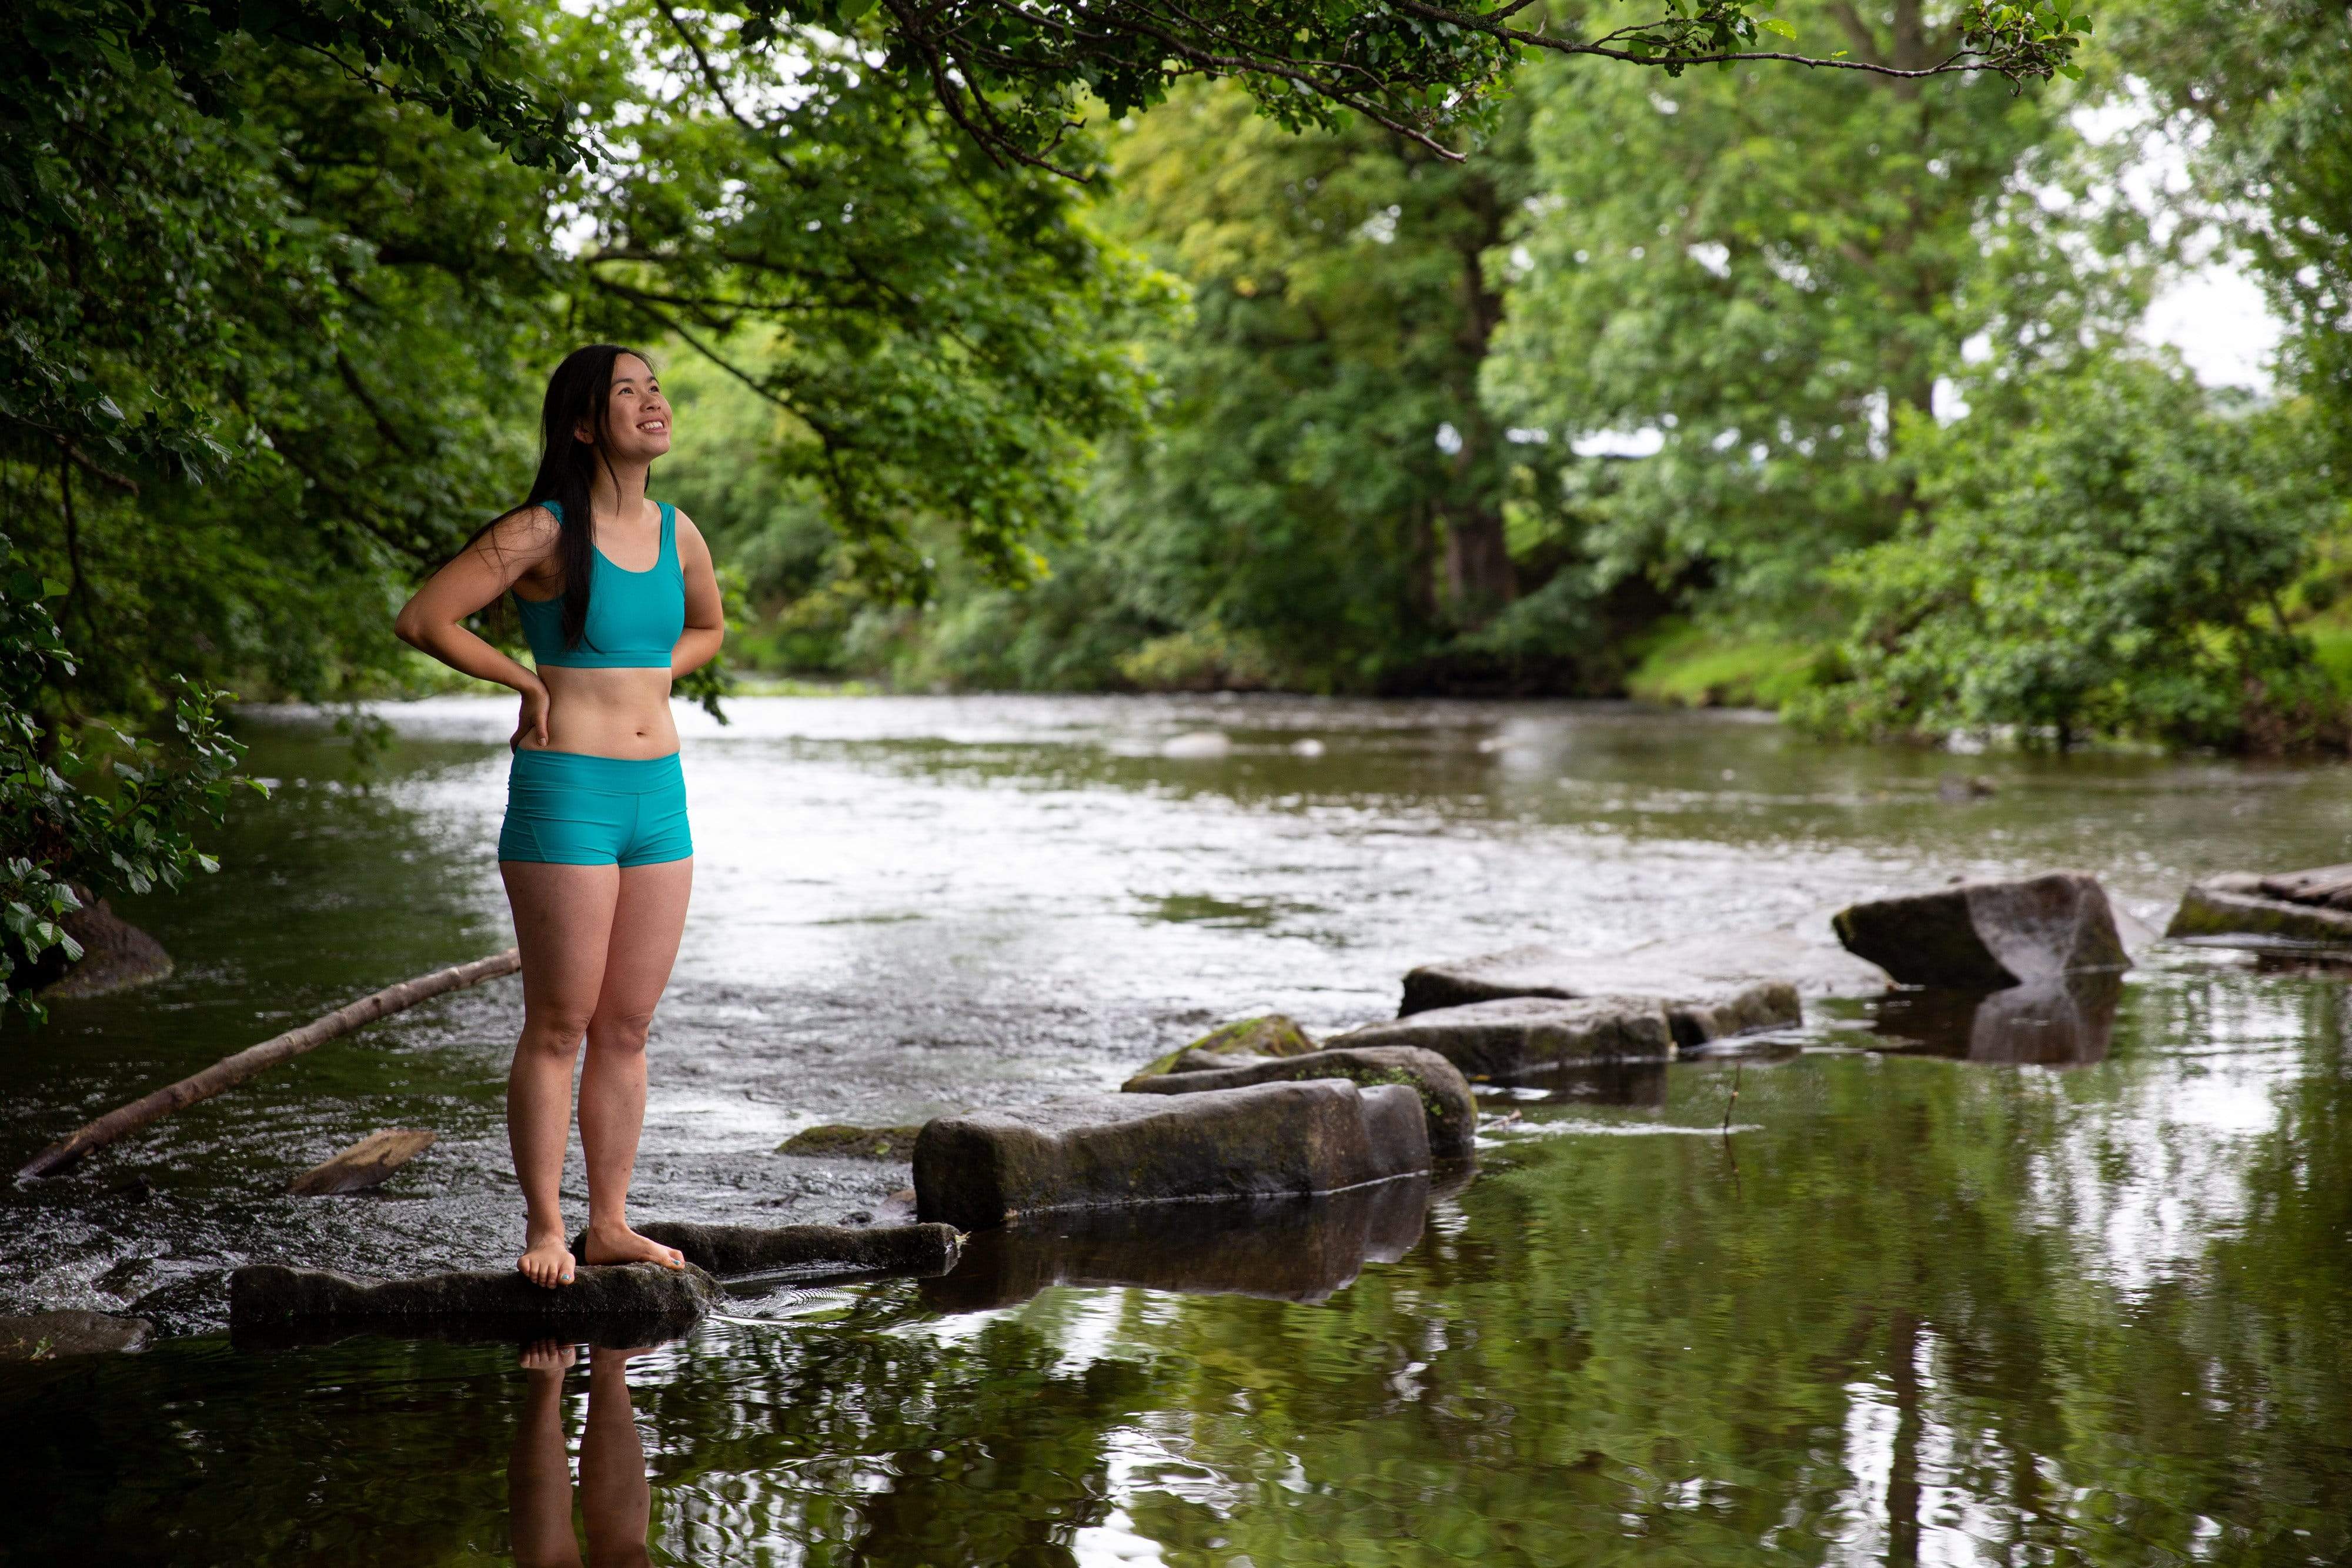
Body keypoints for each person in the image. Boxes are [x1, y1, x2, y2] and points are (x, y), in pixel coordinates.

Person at [396, 345, 723, 1286]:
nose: (653, 401)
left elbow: (708, 627)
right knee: (559, 1023)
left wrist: (654, 674)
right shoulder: (543, 530)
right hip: (567, 794)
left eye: (656, 387)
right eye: (628, 391)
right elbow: (426, 618)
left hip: (660, 799)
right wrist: (526, 682)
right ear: (583, 425)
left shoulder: (679, 531)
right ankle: (547, 1228)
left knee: (628, 1027)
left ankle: (609, 1224)